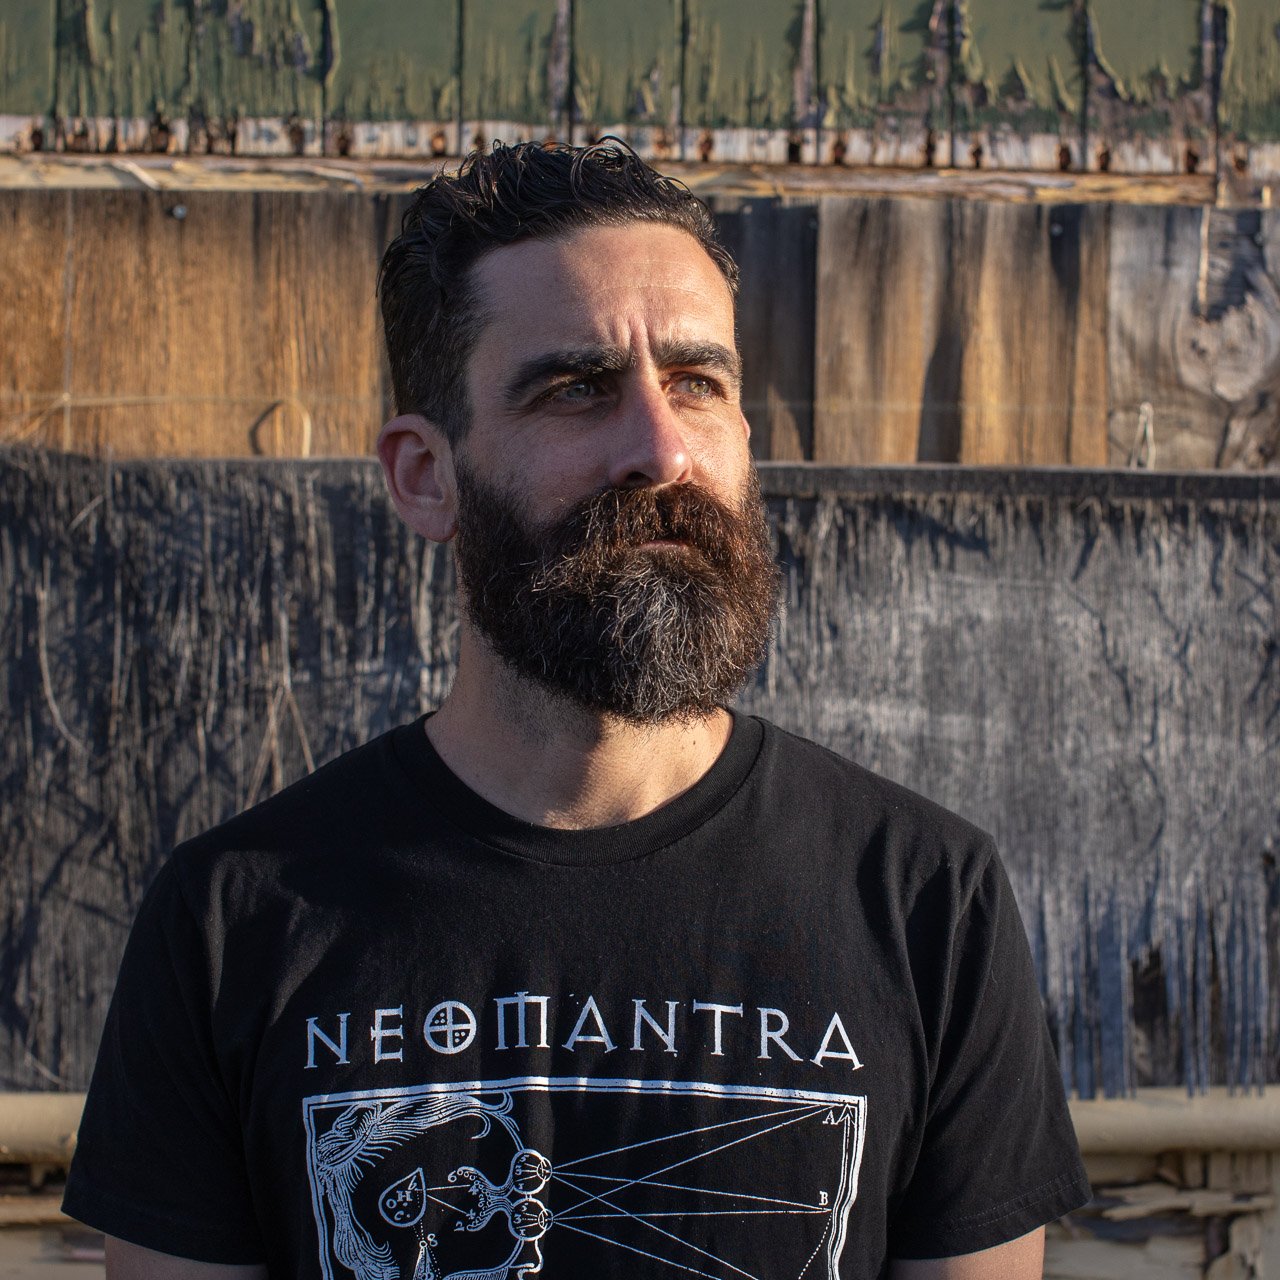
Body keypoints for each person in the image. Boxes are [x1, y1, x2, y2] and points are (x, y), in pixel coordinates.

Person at [64, 141, 1089, 1279]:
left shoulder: (922, 901)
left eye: (698, 382)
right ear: (422, 474)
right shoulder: (235, 922)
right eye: (575, 388)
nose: (659, 449)